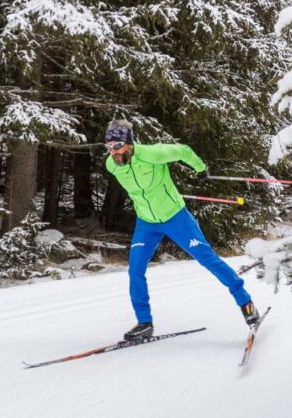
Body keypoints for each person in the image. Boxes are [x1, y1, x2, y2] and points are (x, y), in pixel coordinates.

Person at [103, 119, 259, 341]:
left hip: (176, 218)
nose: (113, 152)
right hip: (146, 223)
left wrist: (201, 168)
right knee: (135, 269)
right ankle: (144, 323)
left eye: (117, 146)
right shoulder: (111, 165)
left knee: (208, 260)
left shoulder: (153, 154)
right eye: (108, 147)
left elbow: (183, 151)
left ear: (130, 143)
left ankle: (247, 305)